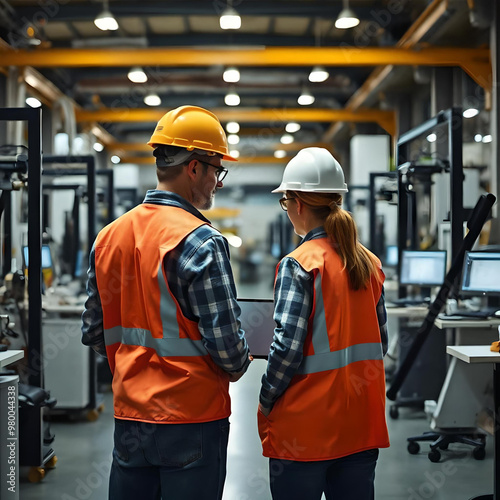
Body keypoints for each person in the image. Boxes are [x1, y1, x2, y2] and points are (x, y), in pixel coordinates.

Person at [82, 105, 251, 500]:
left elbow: (92, 332)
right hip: (192, 420)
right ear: (194, 168)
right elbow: (229, 353)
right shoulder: (201, 241)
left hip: (130, 420)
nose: (217, 183)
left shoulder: (109, 236)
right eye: (216, 171)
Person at [258, 147, 390, 500]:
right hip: (360, 422)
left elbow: (286, 351)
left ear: (297, 204)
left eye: (286, 203)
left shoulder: (300, 264)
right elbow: (382, 341)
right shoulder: (369, 262)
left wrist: (266, 397)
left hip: (307, 428)